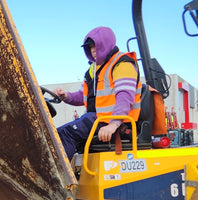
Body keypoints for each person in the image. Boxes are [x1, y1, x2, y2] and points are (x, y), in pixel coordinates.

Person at [54, 26, 140, 159]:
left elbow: (125, 98)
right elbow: (84, 97)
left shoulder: (122, 64)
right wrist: (66, 96)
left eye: (96, 46)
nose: (93, 50)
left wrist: (113, 124)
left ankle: (59, 177)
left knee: (66, 134)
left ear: (106, 44)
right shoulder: (93, 69)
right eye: (90, 47)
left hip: (114, 122)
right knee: (55, 134)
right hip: (97, 118)